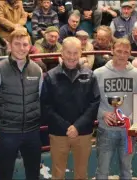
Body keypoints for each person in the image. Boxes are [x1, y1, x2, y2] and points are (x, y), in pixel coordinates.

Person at [0, 29, 43, 180]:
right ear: (9, 46)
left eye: (25, 44)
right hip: (7, 132)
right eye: (17, 44)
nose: (21, 48)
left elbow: (40, 98)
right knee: (5, 174)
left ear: (30, 46)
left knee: (34, 174)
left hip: (32, 131)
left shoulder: (37, 70)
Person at [41, 36, 100, 179]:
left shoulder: (90, 75)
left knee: (81, 173)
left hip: (83, 132)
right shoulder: (50, 76)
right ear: (62, 53)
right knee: (58, 173)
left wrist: (77, 126)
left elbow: (94, 103)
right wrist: (66, 127)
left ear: (81, 53)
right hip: (59, 133)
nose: (72, 57)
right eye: (68, 52)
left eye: (76, 53)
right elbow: (46, 105)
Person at [94, 38, 137, 179]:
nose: (122, 55)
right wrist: (103, 114)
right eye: (118, 51)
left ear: (130, 53)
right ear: (112, 51)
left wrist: (130, 118)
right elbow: (90, 102)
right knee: (102, 170)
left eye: (126, 52)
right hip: (105, 129)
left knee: (126, 170)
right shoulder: (98, 74)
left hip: (128, 131)